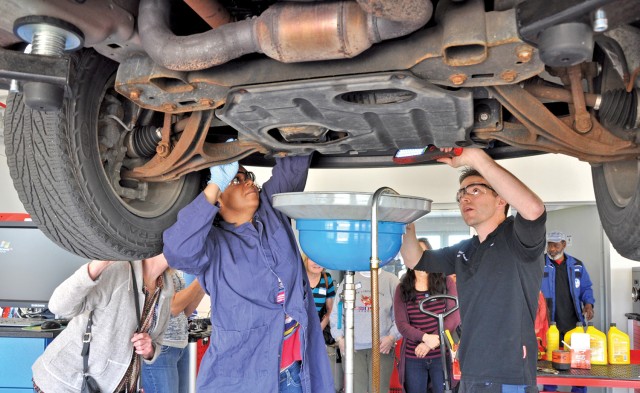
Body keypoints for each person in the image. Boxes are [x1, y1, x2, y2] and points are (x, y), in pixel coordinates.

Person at [163, 154, 333, 393]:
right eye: (236, 180)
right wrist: (215, 185)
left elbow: (294, 161)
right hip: (241, 379)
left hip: (295, 373)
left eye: (248, 177)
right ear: (218, 198)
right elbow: (177, 250)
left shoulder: (272, 212)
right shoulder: (213, 246)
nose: (249, 183)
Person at [400, 147, 546, 393]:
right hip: (471, 369)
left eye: (475, 190)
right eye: (461, 194)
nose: (464, 198)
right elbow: (416, 260)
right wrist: (404, 223)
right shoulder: (465, 249)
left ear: (502, 199)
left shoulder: (518, 239)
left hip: (507, 372)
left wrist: (476, 158)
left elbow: (533, 209)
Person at [32, 254, 174, 393]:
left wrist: (149, 350)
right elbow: (58, 306)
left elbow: (157, 341)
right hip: (66, 382)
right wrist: (101, 262)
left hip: (113, 386)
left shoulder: (166, 289)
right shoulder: (119, 270)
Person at [394, 239, 461, 393]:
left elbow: (454, 317)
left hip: (441, 355)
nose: (419, 260)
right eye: (414, 255)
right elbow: (402, 324)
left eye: (422, 254)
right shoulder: (402, 288)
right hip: (414, 356)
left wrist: (433, 341)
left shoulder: (446, 282)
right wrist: (425, 337)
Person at [330, 269, 401, 393]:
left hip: (381, 348)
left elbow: (401, 316)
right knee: (356, 390)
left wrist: (392, 337)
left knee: (378, 390)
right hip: (353, 349)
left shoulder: (391, 280)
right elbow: (338, 312)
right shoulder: (348, 279)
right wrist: (340, 339)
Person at [541, 231, 595, 393]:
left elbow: (586, 288)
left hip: (574, 323)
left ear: (564, 244)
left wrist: (589, 304)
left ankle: (579, 390)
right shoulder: (539, 263)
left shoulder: (577, 265)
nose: (551, 249)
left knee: (579, 361)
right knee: (551, 361)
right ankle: (550, 390)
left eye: (555, 245)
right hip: (550, 322)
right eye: (549, 244)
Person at [141, 271, 206, 393]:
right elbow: (172, 308)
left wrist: (203, 285)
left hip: (181, 345)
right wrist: (200, 279)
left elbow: (184, 311)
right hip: (162, 348)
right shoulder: (156, 268)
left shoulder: (173, 270)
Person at [303, 254, 336, 332]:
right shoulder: (298, 277)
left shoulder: (326, 278)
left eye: (319, 259)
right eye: (312, 259)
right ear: (305, 259)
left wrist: (319, 329)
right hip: (296, 329)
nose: (316, 263)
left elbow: (330, 309)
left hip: (317, 329)